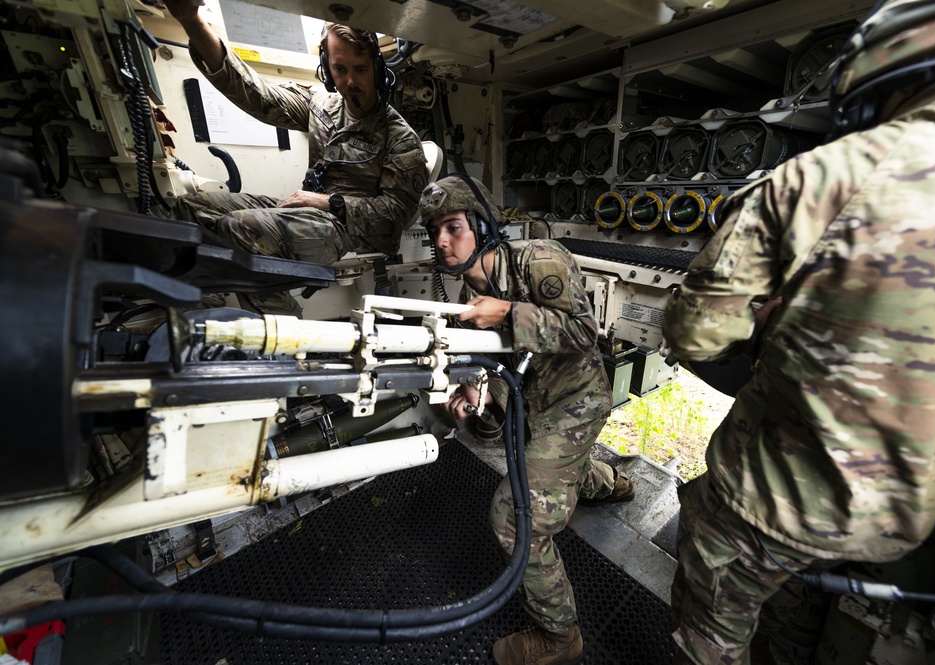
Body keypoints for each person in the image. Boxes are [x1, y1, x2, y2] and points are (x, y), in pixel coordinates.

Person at [660, 1, 935, 663]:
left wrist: (777, 318)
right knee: (809, 607)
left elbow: (695, 334)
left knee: (711, 620)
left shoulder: (827, 177)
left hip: (774, 500)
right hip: (910, 514)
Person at [419, 173, 635, 664]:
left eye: (453, 226)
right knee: (554, 469)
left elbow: (584, 332)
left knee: (513, 520)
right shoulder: (465, 308)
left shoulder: (538, 259)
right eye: (434, 232)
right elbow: (498, 387)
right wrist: (477, 403)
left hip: (575, 400)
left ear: (481, 226)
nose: (442, 242)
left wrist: (508, 312)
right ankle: (610, 483)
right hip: (533, 407)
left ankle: (560, 637)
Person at [163, 0, 426, 315]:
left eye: (361, 70)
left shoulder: (400, 137)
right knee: (190, 207)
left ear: (378, 69)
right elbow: (257, 96)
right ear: (327, 67)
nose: (351, 82)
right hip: (308, 212)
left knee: (242, 226)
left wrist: (329, 203)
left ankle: (287, 325)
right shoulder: (321, 106)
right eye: (340, 69)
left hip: (352, 230)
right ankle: (204, 313)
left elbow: (395, 216)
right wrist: (190, 20)